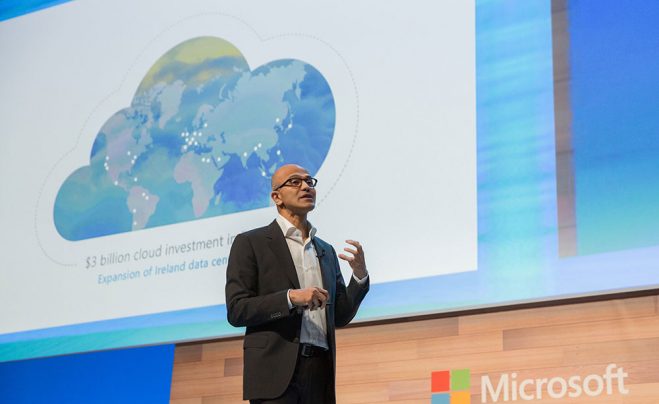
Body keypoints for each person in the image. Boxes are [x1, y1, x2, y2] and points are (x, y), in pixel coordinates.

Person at [225, 164, 370, 403]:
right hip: (275, 373)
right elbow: (237, 310)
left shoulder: (326, 250)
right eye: (295, 182)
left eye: (309, 181)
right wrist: (290, 298)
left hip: (320, 370)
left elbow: (340, 315)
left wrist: (359, 276)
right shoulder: (251, 242)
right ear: (276, 196)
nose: (305, 186)